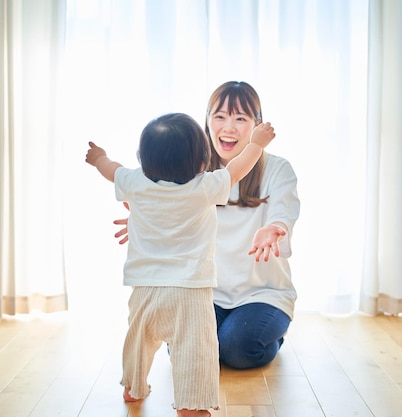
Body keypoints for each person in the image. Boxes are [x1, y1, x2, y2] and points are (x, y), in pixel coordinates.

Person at [85, 112, 276, 416]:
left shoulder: (134, 181)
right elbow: (237, 171)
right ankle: (192, 405)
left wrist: (98, 157)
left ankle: (132, 386)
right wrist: (255, 144)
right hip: (190, 291)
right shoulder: (204, 186)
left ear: (143, 159)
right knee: (194, 354)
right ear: (202, 162)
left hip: (145, 288)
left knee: (139, 341)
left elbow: (111, 169)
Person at [114, 81, 300, 370]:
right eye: (220, 117)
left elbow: (284, 209)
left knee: (238, 349)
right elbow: (165, 204)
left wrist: (275, 227)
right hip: (204, 292)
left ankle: (267, 337)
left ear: (256, 125)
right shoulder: (190, 170)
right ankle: (225, 337)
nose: (229, 127)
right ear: (207, 121)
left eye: (240, 119)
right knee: (187, 354)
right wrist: (147, 222)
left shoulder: (277, 168)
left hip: (262, 294)